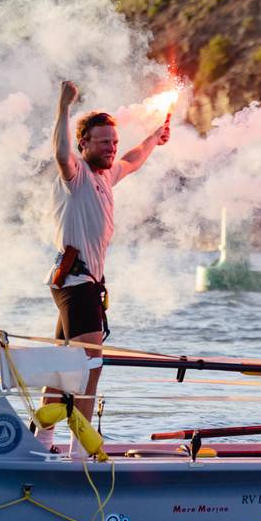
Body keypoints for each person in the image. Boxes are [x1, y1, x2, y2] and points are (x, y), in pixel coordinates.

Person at [40, 80, 172, 451]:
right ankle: (80, 448)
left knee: (65, 365)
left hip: (82, 286)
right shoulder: (76, 175)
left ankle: (41, 438)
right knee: (90, 366)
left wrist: (154, 137)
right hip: (76, 283)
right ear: (85, 145)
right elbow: (60, 152)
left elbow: (133, 159)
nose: (111, 148)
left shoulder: (105, 176)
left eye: (113, 141)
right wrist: (64, 107)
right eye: (103, 142)